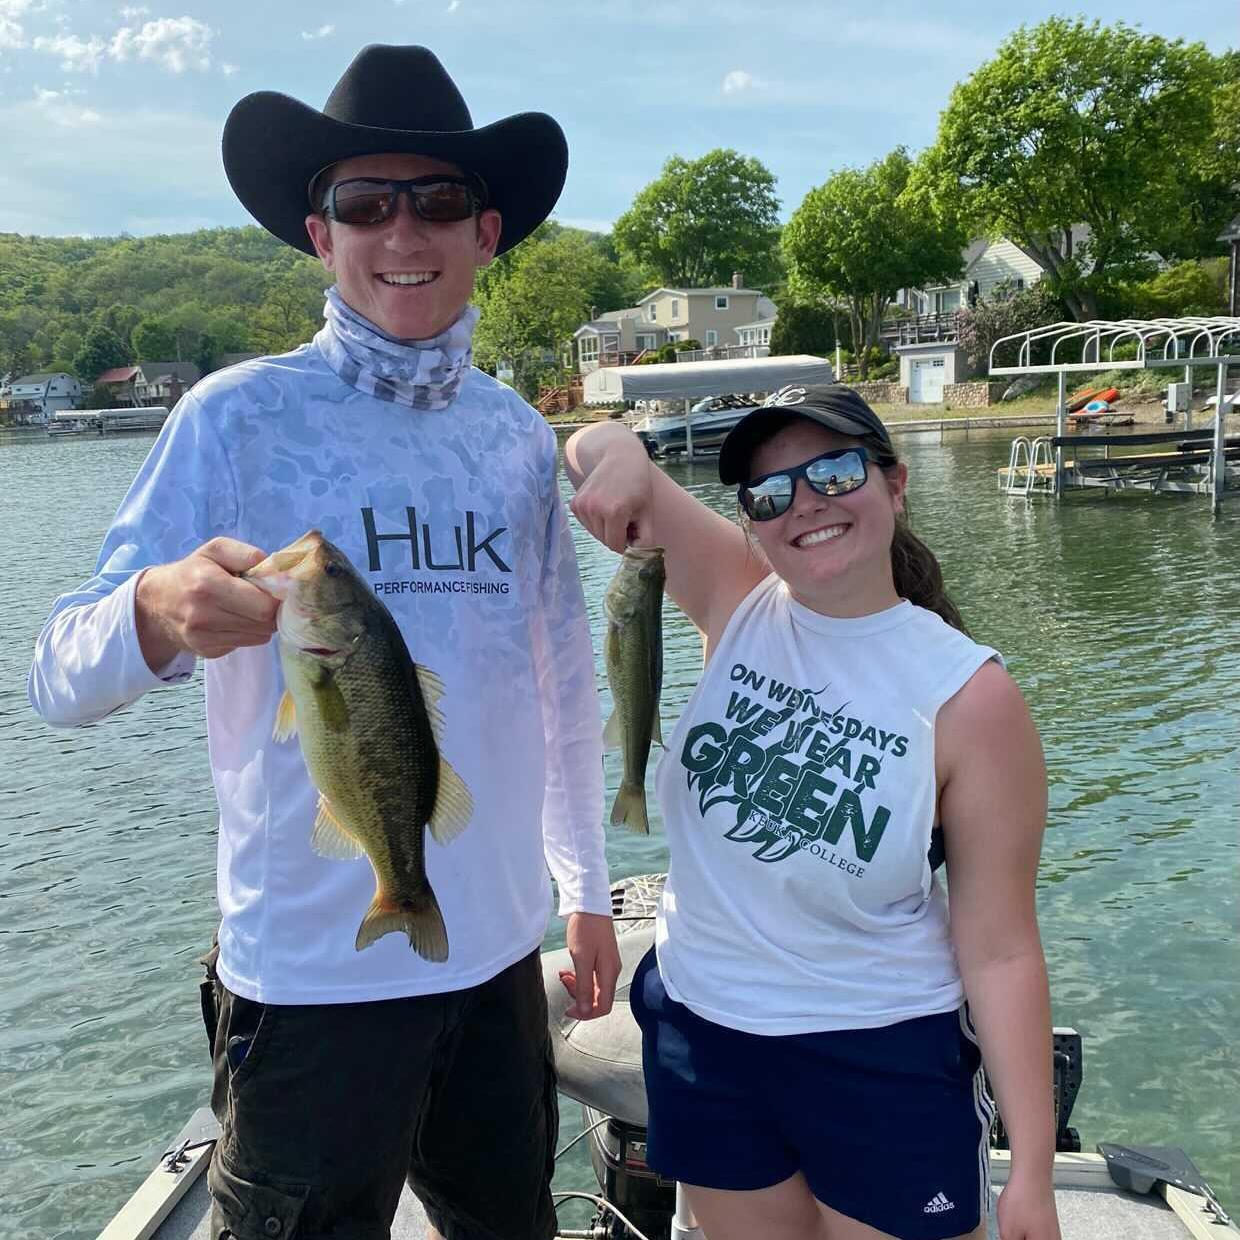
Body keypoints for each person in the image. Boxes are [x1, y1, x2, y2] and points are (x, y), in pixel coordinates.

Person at [29, 44, 620, 1240]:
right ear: (320, 233)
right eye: (365, 201)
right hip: (310, 981)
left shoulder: (515, 436)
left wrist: (586, 890)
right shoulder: (235, 417)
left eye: (438, 199)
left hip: (497, 957)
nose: (403, 230)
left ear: (486, 232)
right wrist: (154, 610)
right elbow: (55, 672)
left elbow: (560, 684)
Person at [564, 384, 1061, 1240]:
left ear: (894, 484)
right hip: (704, 1036)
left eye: (834, 472)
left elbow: (1002, 948)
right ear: (751, 523)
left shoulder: (972, 698)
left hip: (877, 1051)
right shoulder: (738, 594)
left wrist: (1035, 1174)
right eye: (769, 493)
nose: (805, 503)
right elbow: (590, 446)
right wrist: (619, 455)